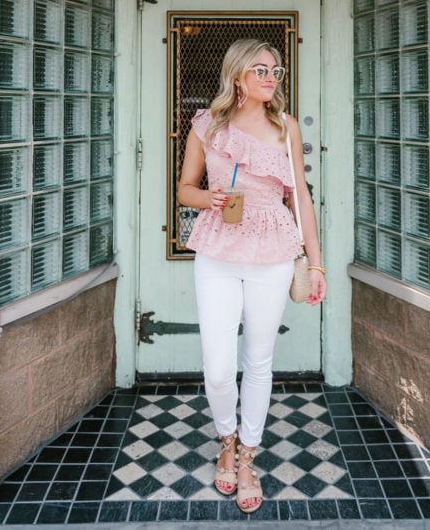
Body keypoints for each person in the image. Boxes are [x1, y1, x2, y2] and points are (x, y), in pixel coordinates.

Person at [177, 38, 326, 514]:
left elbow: (300, 196)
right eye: (260, 70)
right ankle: (225, 436)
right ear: (237, 75)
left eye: (276, 71)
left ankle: (247, 456)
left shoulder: (285, 127)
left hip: (274, 249)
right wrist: (212, 198)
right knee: (219, 366)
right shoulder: (207, 125)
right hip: (219, 249)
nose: (270, 78)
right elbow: (184, 190)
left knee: (258, 361)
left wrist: (316, 261)